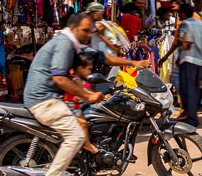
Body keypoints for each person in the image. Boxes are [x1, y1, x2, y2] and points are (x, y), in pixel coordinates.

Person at [22, 12, 145, 176]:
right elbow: (59, 78)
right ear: (73, 28)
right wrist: (88, 95)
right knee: (76, 137)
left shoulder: (75, 45)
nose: (88, 35)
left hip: (51, 98)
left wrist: (134, 63)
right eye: (85, 31)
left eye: (90, 31)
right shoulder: (64, 44)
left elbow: (103, 57)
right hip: (44, 100)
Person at [164, 0, 202, 128]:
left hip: (187, 60)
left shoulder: (184, 24)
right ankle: (191, 114)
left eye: (180, 13)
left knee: (187, 88)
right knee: (194, 88)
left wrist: (181, 52)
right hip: (199, 61)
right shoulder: (201, 24)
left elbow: (181, 40)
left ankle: (191, 117)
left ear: (183, 13)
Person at [66, 52, 100, 154]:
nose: (90, 72)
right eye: (89, 69)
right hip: (71, 106)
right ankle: (87, 144)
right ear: (80, 68)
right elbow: (85, 90)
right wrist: (96, 96)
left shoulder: (78, 79)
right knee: (83, 123)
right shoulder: (75, 79)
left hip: (76, 105)